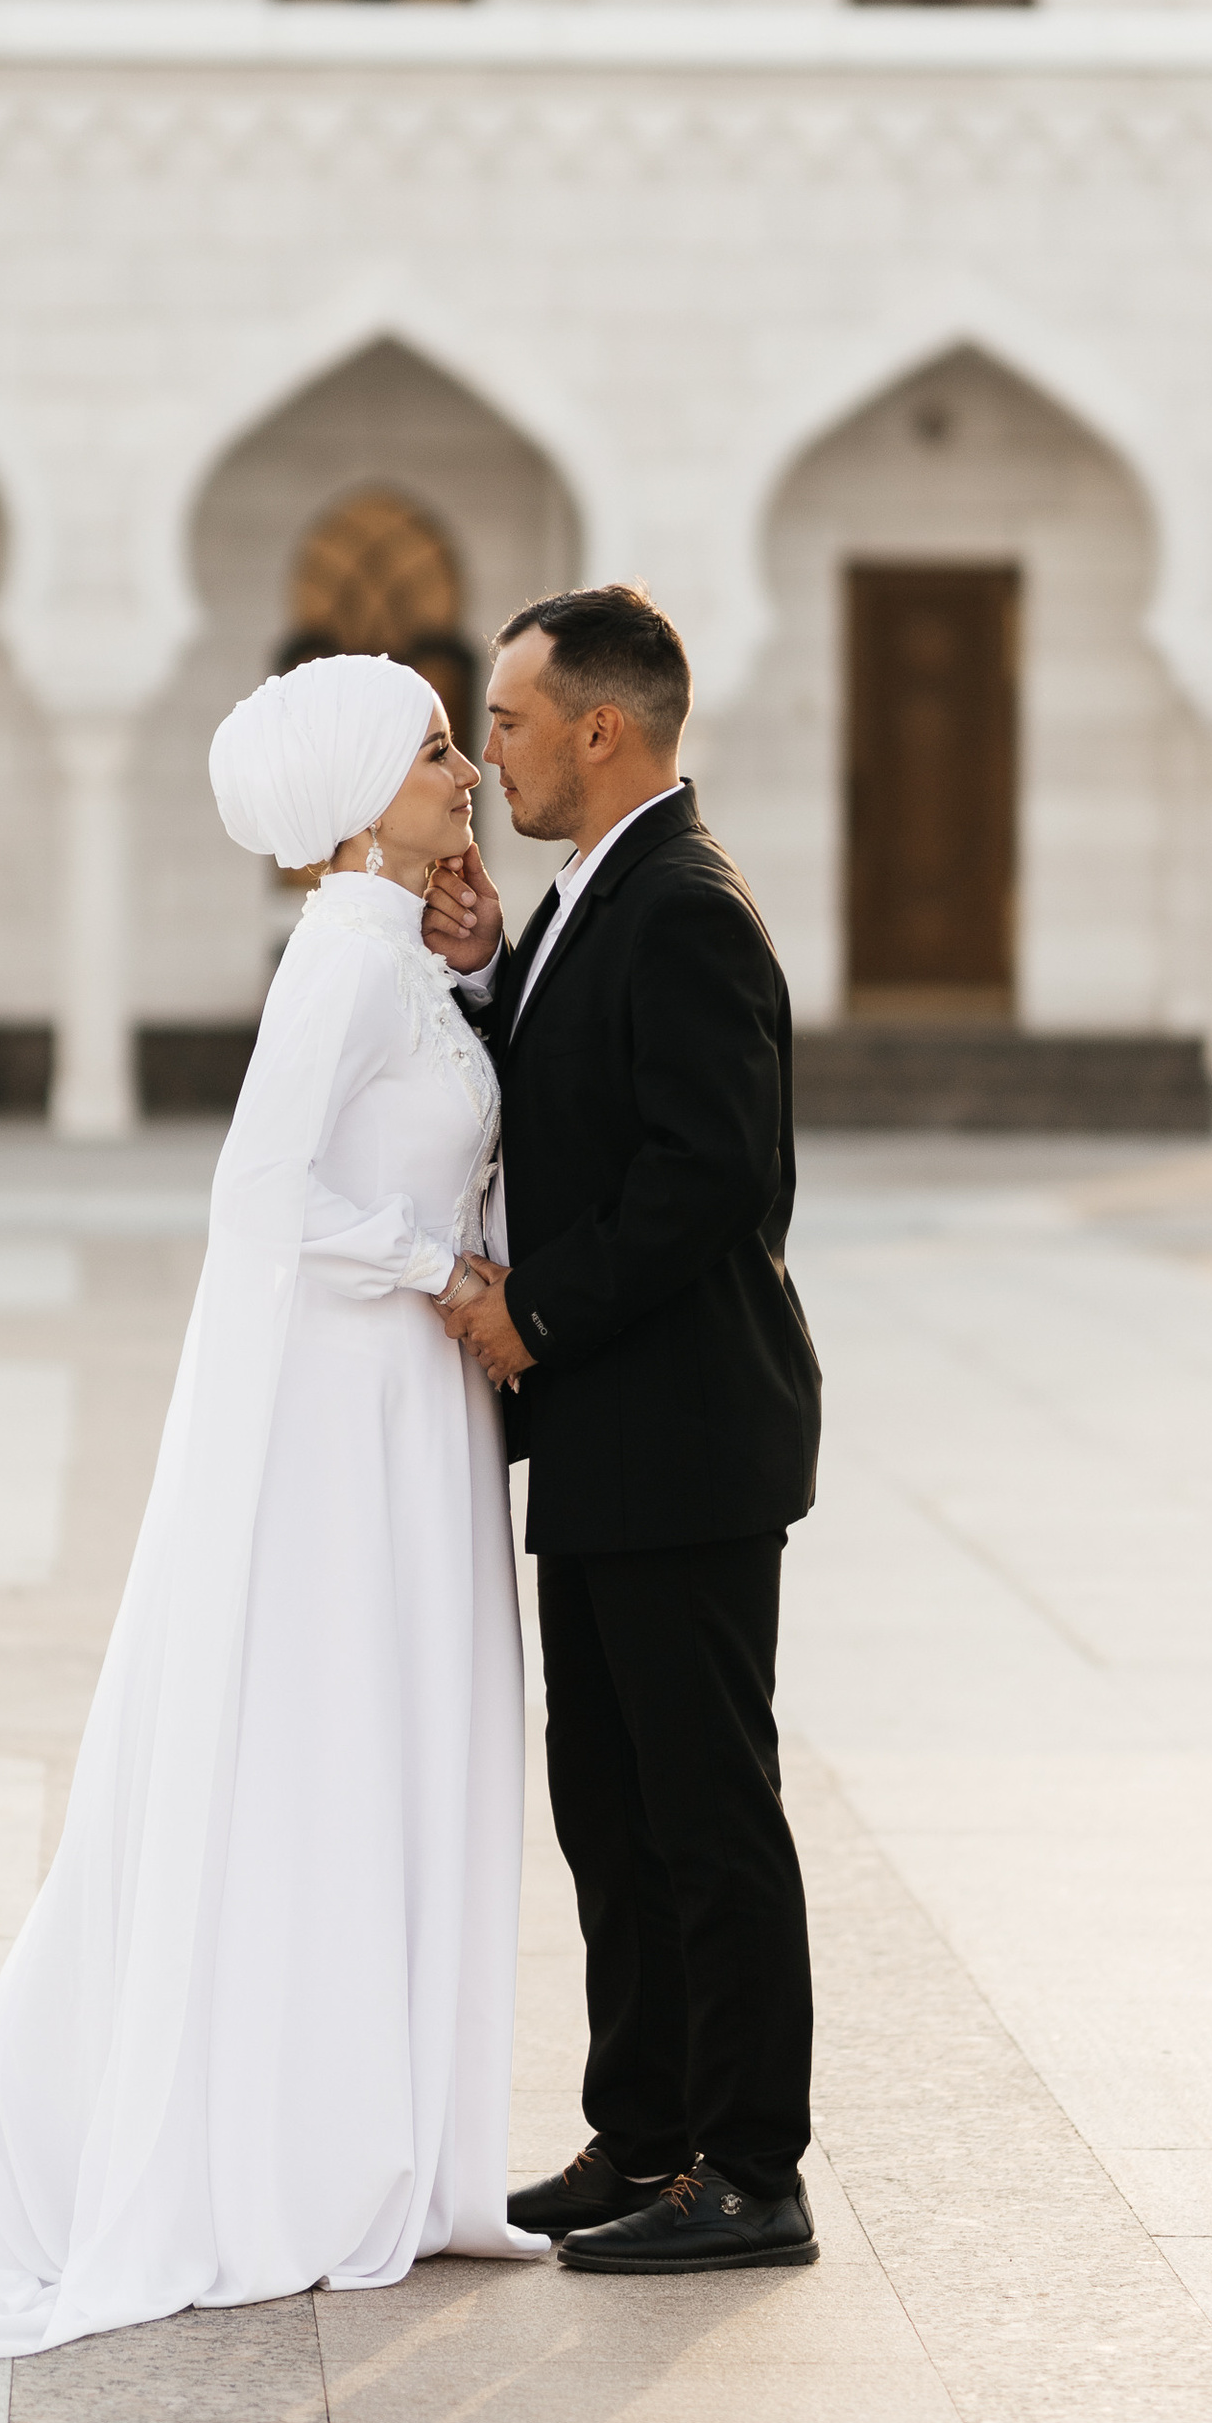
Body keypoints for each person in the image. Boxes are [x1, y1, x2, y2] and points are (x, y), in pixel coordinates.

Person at [0, 651, 545, 2356]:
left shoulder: (397, 956)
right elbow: (259, 1195)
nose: (465, 772)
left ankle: (373, 2137)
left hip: (405, 1401)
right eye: (438, 751)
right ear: (359, 788)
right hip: (354, 1399)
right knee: (322, 1741)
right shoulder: (339, 959)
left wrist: (476, 973)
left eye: (460, 742)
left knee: (386, 1744)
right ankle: (281, 2153)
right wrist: (431, 1268)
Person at [422, 584, 824, 2274]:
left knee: (706, 1813)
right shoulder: (603, 897)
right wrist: (487, 967)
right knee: (611, 1800)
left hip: (683, 1438)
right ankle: (643, 2130)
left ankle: (751, 2169)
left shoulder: (689, 905)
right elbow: (575, 1091)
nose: (489, 750)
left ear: (601, 727)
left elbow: (709, 1174)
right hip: (609, 1444)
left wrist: (538, 1307)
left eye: (505, 721)